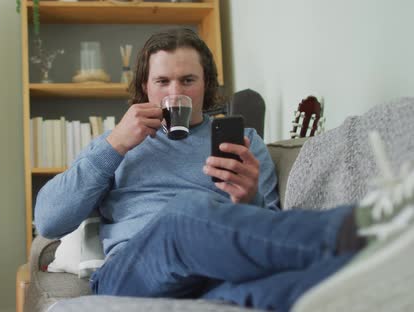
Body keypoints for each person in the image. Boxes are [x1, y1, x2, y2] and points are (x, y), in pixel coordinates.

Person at [34, 28, 414, 311]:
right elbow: (49, 221)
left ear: (206, 87)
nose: (173, 93)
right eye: (162, 81)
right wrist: (115, 145)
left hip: (216, 276)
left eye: (187, 80)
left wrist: (247, 199)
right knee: (182, 217)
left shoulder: (243, 140)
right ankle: (366, 229)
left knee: (293, 291)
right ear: (144, 89)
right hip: (134, 273)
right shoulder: (115, 143)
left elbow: (265, 234)